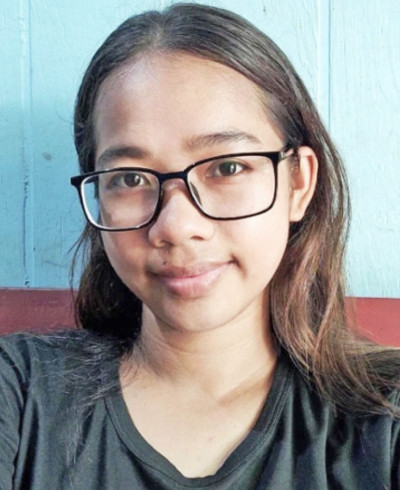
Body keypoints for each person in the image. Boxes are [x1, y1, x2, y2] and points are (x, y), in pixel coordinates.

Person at [1, 3, 399, 489]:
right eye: (129, 178)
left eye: (227, 167)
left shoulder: (388, 420)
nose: (176, 226)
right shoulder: (19, 395)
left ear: (298, 183)